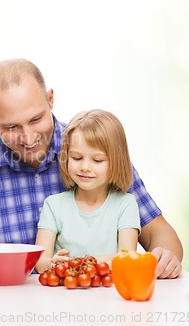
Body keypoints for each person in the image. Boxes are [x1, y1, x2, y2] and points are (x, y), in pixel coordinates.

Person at [0, 58, 183, 278]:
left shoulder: (94, 148)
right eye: (11, 127)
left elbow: (159, 232)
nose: (29, 137)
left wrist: (164, 256)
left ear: (50, 99)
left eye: (36, 119)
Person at [35, 109, 140, 272]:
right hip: (62, 294)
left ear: (116, 161)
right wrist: (51, 263)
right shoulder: (53, 205)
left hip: (107, 294)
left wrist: (111, 261)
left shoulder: (125, 204)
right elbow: (40, 260)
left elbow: (128, 257)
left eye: (97, 160)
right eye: (76, 158)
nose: (85, 167)